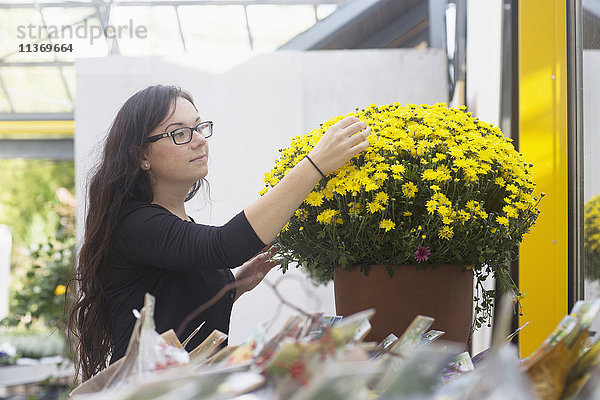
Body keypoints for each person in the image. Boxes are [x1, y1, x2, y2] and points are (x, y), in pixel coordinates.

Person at [68, 84, 371, 381]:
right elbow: (224, 245)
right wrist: (315, 165)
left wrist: (235, 285)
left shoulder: (175, 223)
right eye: (179, 133)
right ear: (140, 156)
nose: (199, 140)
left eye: (198, 128)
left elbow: (175, 303)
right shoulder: (134, 224)